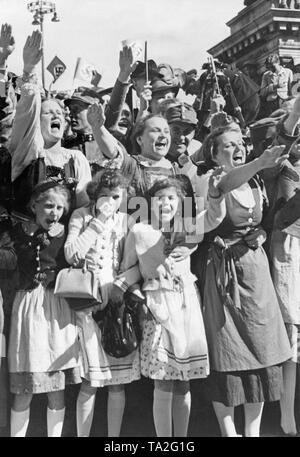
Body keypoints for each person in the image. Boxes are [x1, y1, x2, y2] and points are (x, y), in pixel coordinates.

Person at [194, 122, 292, 437]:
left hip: (256, 271)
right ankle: (228, 431)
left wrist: (262, 231)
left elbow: (280, 148)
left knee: (262, 349)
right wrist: (259, 162)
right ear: (213, 153)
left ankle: (252, 431)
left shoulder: (257, 183)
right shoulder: (213, 179)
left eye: (240, 143)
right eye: (229, 145)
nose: (237, 149)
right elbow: (225, 184)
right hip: (224, 273)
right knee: (227, 350)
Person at [113, 174, 227, 437]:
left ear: (180, 202)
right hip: (156, 306)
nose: (165, 203)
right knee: (163, 380)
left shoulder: (187, 227)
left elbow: (213, 218)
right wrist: (136, 292)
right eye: (159, 198)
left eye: (171, 198)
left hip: (186, 305)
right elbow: (126, 268)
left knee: (184, 381)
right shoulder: (140, 231)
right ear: (150, 203)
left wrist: (216, 194)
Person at [64, 170, 141, 437]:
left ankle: (114, 439)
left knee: (116, 382)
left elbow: (136, 263)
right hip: (88, 300)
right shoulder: (81, 216)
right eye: (104, 195)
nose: (110, 200)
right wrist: (97, 221)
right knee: (90, 380)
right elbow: (72, 254)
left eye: (116, 196)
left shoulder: (127, 221)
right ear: (95, 196)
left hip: (116, 300)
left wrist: (122, 284)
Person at [8, 181, 81, 437]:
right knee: (25, 384)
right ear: (34, 204)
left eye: (60, 207)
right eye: (49, 205)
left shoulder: (66, 235)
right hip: (28, 307)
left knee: (55, 385)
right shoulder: (19, 232)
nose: (55, 212)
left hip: (56, 309)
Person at [9, 30, 92, 218]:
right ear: (37, 123)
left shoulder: (76, 159)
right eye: (48, 112)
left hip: (63, 240)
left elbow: (83, 206)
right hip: (26, 240)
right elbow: (26, 115)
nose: (56, 115)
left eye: (59, 113)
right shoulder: (29, 152)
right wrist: (29, 71)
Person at [268, 95, 300, 436]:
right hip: (290, 250)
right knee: (292, 339)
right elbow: (282, 141)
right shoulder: (281, 162)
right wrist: (294, 114)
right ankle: (287, 417)